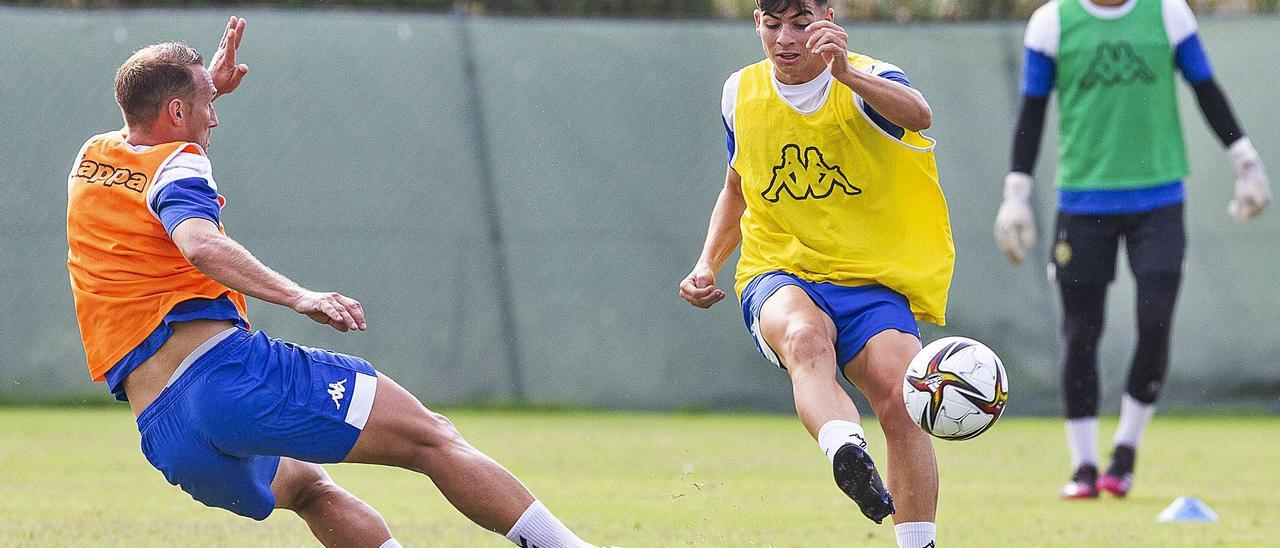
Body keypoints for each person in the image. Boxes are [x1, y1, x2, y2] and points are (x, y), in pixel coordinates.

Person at [66, 17, 593, 547]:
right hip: (229, 380)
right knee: (433, 439)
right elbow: (199, 242)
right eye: (208, 104)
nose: (216, 119)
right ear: (177, 112)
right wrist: (300, 296)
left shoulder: (91, 158)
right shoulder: (181, 162)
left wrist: (202, 89)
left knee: (311, 491)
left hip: (168, 431)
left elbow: (150, 138)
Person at [678, 1, 953, 546]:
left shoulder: (868, 79)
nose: (785, 38)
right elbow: (739, 186)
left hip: (870, 280)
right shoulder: (740, 93)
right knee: (806, 342)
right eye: (771, 23)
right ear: (757, 23)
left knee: (903, 397)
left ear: (829, 18)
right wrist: (707, 262)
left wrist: (845, 73)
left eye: (800, 23)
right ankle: (845, 449)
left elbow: (919, 115)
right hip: (778, 269)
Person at [995, 0, 1270, 499]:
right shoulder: (1051, 23)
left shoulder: (1168, 13)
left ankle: (1123, 454)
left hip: (1158, 201)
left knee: (1156, 321)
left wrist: (1247, 162)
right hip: (1082, 203)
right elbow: (1032, 112)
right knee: (1081, 332)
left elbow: (1206, 89)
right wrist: (1016, 195)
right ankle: (1082, 465)